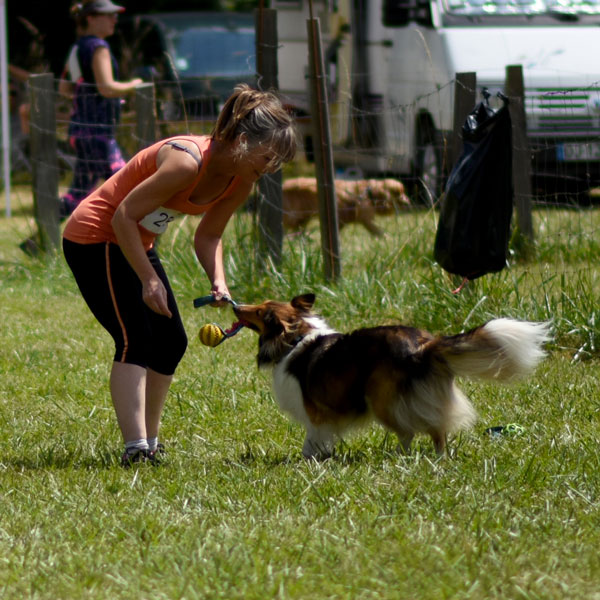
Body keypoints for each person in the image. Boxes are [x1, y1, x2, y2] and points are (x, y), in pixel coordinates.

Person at [62, 84, 297, 466]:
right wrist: (148, 280)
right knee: (133, 337)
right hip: (96, 237)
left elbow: (209, 235)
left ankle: (149, 442)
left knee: (171, 342)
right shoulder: (186, 161)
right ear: (241, 139)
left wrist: (218, 280)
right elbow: (123, 216)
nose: (271, 167)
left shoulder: (241, 179)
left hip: (135, 241)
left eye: (278, 161)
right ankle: (135, 448)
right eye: (268, 155)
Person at [59, 0, 142, 218]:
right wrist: (135, 84)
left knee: (77, 194)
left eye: (115, 15)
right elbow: (107, 87)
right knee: (129, 187)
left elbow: (65, 88)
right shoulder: (98, 47)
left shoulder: (78, 47)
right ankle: (136, 239)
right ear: (91, 18)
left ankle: (37, 238)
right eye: (108, 15)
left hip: (81, 131)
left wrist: (86, 100)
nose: (114, 19)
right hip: (99, 133)